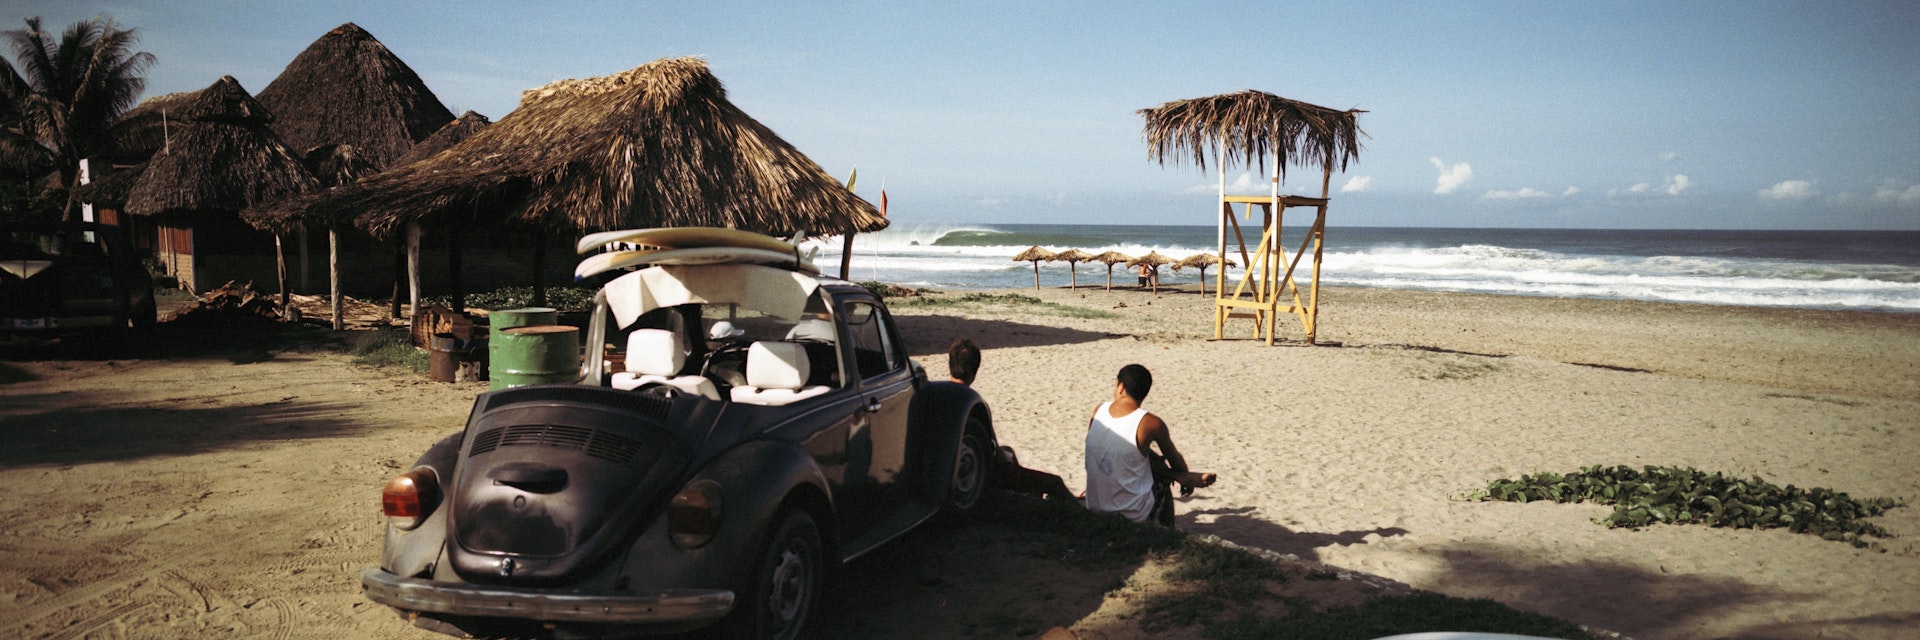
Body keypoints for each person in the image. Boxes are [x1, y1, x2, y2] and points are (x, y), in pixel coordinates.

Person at [1084, 364, 1215, 526]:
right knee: (1161, 479)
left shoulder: (1099, 410)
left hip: (1094, 507)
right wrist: (1181, 474)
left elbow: (1120, 446)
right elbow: (1175, 460)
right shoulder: (1151, 423)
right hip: (1132, 515)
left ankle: (1178, 477)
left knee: (1144, 460)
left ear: (1121, 386)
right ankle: (1169, 532)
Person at [947, 338, 1075, 503]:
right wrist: (1005, 457)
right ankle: (1083, 516)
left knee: (1009, 452)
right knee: (1053, 482)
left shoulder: (938, 395)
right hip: (977, 473)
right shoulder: (973, 404)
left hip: (949, 469)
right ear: (975, 371)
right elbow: (994, 452)